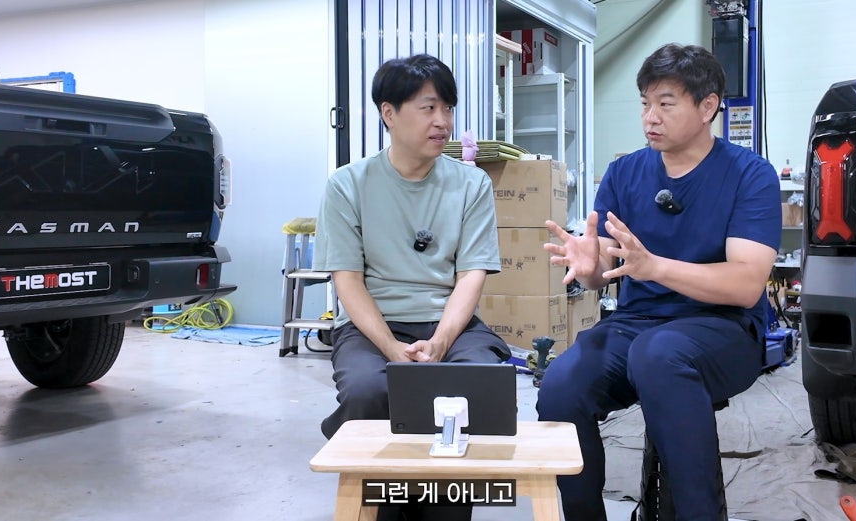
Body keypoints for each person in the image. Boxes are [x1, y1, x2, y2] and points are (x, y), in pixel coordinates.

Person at [536, 43, 781, 521]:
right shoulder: (625, 172)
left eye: (666, 104)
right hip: (637, 323)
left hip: (723, 327)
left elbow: (745, 284)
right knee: (561, 386)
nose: (650, 117)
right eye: (645, 103)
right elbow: (607, 263)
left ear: (707, 106)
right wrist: (589, 269)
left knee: (659, 355)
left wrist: (655, 267)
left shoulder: (750, 175)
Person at [312, 53, 509, 521]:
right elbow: (347, 280)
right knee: (367, 389)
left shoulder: (471, 184)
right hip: (373, 327)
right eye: (428, 108)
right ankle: (385, 500)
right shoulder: (347, 185)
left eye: (448, 108)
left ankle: (445, 503)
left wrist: (440, 341)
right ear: (389, 113)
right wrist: (390, 348)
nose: (443, 121)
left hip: (449, 324)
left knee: (477, 384)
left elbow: (471, 275)